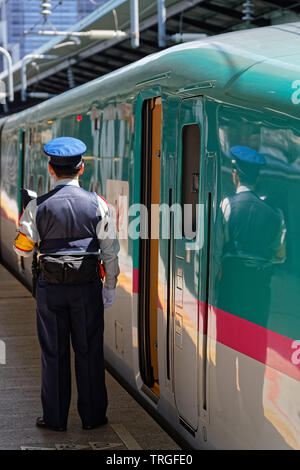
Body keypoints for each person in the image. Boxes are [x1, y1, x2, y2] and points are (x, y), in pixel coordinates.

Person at [13, 136, 120, 432]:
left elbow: (22, 248)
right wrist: (109, 286)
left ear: (50, 169)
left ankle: (55, 419)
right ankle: (94, 417)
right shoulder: (97, 204)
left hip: (51, 289)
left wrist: (25, 224)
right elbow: (109, 250)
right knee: (89, 352)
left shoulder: (37, 206)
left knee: (54, 354)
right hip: (87, 288)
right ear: (81, 168)